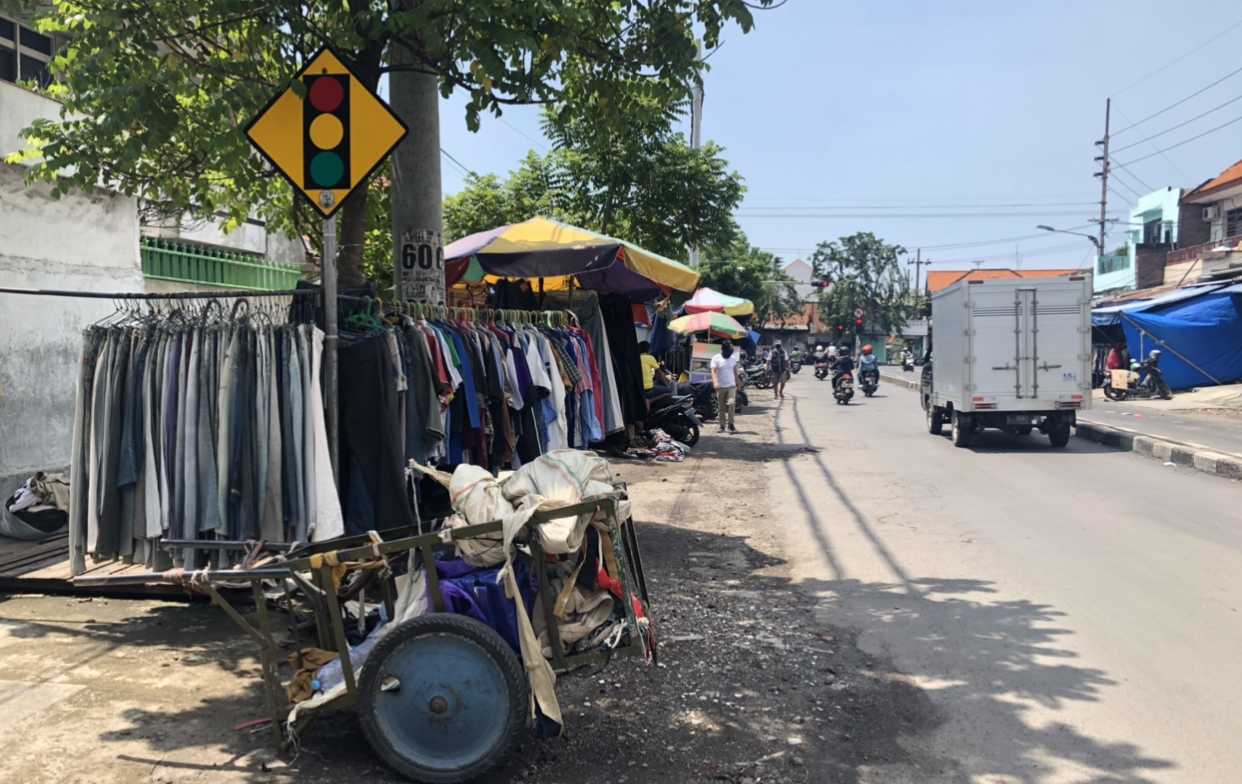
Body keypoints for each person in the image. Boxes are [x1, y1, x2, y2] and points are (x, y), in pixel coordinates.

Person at [710, 340, 740, 434]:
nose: (732, 350)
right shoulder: (716, 358)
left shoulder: (733, 358)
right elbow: (713, 371)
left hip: (731, 385)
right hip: (720, 386)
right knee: (721, 407)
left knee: (731, 403)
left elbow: (735, 371)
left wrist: (738, 383)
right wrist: (715, 382)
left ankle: (731, 425)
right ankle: (722, 426)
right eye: (730, 348)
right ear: (725, 348)